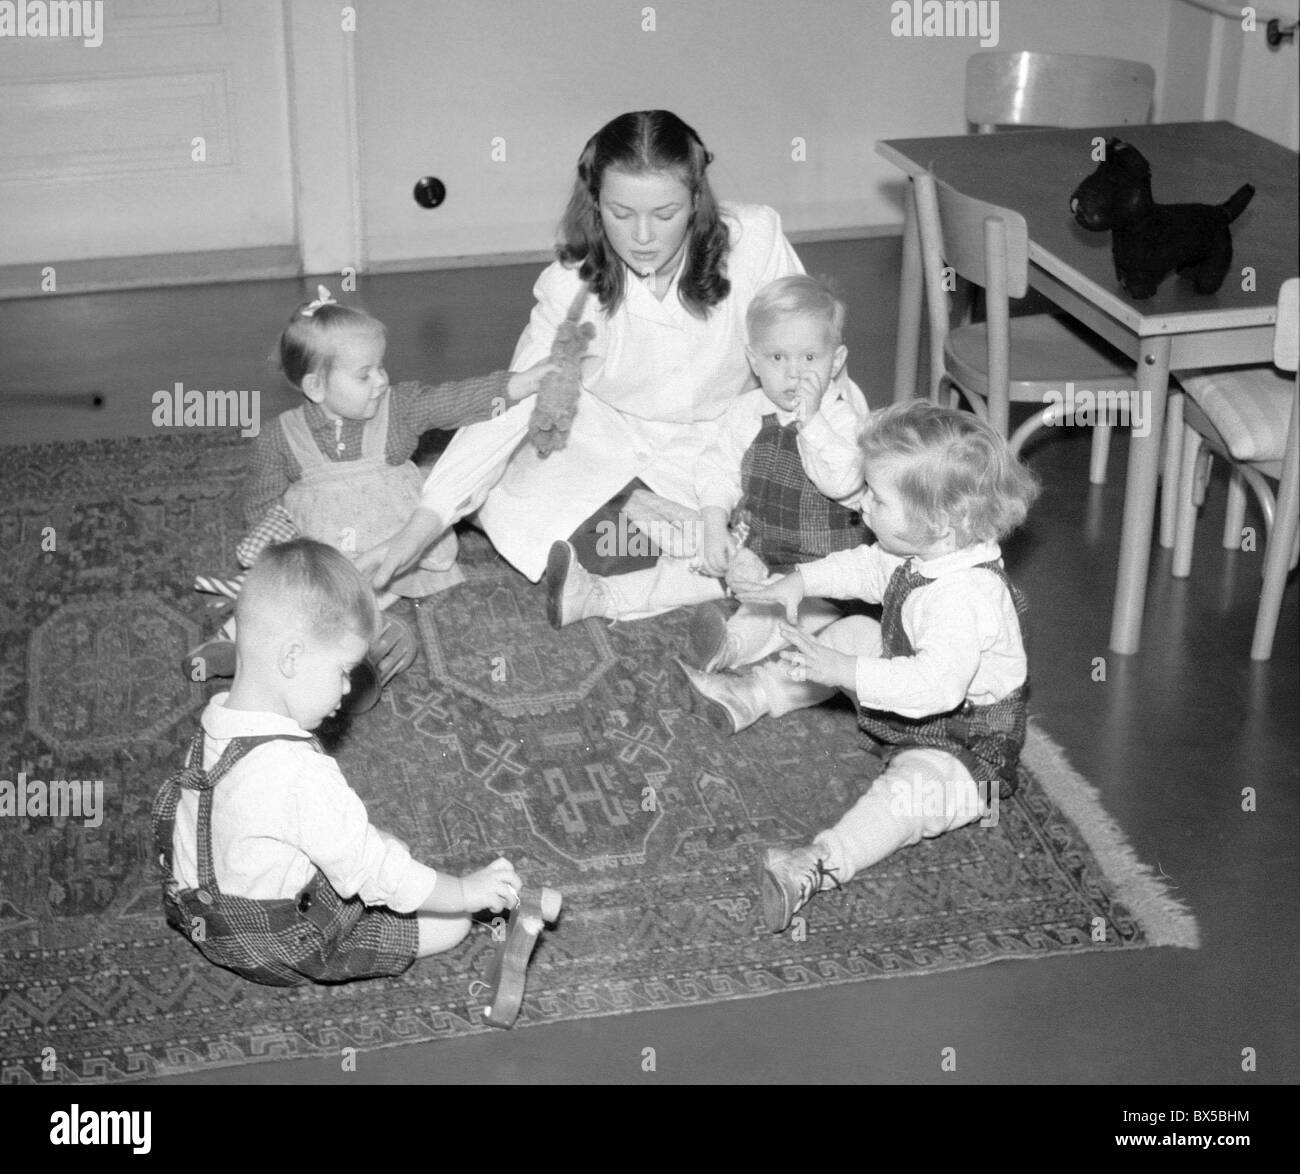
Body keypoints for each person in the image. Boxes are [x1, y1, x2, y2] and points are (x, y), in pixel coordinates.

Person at [356, 109, 805, 590]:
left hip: (731, 432)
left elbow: (809, 355)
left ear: (697, 199)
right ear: (595, 203)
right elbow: (518, 399)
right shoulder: (569, 285)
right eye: (621, 213)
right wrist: (420, 528)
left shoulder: (755, 239)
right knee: (553, 530)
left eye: (666, 213)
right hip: (612, 435)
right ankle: (647, 521)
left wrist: (831, 450)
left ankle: (670, 532)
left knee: (801, 531)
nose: (643, 237)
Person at [677, 403, 1039, 934]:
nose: (861, 505)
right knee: (857, 632)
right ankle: (751, 693)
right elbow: (869, 569)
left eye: (876, 496)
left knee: (904, 798)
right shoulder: (930, 549)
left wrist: (844, 671)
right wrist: (800, 581)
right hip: (907, 694)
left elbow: (934, 687)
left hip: (963, 745)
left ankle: (816, 866)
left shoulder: (965, 597)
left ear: (939, 523)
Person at [153, 539, 524, 985]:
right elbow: (378, 873)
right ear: (291, 657)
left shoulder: (217, 720)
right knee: (451, 920)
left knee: (361, 844)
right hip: (271, 938)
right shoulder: (299, 774)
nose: (348, 690)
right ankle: (329, 941)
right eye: (344, 670)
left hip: (198, 903)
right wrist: (466, 891)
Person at [183, 286, 554, 709]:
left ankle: (360, 661)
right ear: (316, 387)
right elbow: (262, 500)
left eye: (381, 367)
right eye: (364, 374)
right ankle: (235, 644)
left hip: (390, 552)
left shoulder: (398, 410)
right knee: (282, 596)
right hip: (326, 554)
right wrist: (277, 549)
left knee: (352, 610)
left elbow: (452, 401)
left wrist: (518, 385)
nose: (380, 381)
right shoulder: (277, 437)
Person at [545, 274, 870, 677]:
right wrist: (715, 526)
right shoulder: (748, 412)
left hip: (819, 572)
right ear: (754, 361)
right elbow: (718, 469)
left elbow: (843, 482)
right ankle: (595, 596)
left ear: (835, 361)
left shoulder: (844, 420)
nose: (794, 375)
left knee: (777, 612)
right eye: (777, 358)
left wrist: (812, 422)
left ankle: (729, 646)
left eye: (809, 358)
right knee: (683, 571)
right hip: (755, 545)